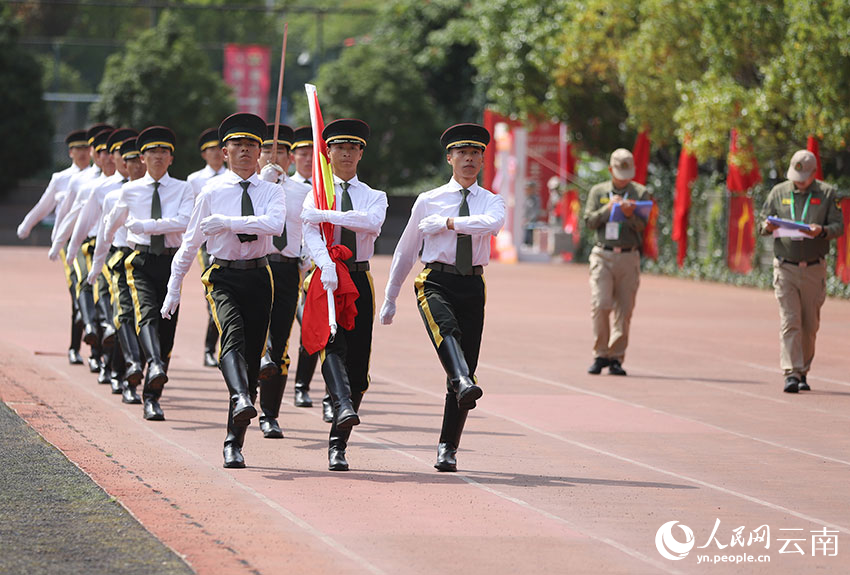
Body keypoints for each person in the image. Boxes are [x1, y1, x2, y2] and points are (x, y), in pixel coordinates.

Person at [161, 113, 285, 468]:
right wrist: (173, 288)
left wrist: (229, 222)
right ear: (225, 152)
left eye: (251, 145)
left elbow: (273, 225)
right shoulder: (211, 193)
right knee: (231, 336)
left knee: (252, 357)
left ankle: (234, 440)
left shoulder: (272, 190)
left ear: (260, 152)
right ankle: (241, 397)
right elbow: (189, 243)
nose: (244, 150)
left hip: (259, 276)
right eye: (237, 145)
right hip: (223, 275)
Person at [379, 123, 505, 472]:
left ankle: (448, 446)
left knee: (467, 364)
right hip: (435, 279)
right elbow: (406, 249)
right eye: (462, 153)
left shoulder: (491, 200)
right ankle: (463, 381)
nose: (469, 159)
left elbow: (491, 225)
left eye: (475, 153)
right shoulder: (428, 200)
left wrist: (449, 223)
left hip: (473, 283)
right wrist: (391, 296)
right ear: (450, 158)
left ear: (483, 159)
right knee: (446, 330)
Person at [301, 118, 388, 471]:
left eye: (354, 148)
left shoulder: (374, 196)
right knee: (331, 345)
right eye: (340, 148)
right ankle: (341, 417)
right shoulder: (316, 192)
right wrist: (325, 264)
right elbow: (309, 232)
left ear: (361, 154)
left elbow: (371, 222)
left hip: (359, 278)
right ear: (329, 153)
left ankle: (344, 421)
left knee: (359, 366)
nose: (347, 154)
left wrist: (327, 214)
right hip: (328, 277)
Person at [100, 126, 193, 420]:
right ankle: (152, 374)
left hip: (171, 263)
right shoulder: (130, 190)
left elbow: (184, 222)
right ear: (142, 157)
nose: (158, 156)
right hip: (139, 261)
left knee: (167, 329)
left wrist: (146, 226)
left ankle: (154, 378)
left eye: (164, 152)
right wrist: (99, 258)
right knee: (147, 314)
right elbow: (110, 226)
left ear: (171, 158)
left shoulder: (183, 189)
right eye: (152, 152)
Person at [759, 150, 844, 393]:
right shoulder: (779, 192)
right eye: (796, 177)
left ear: (814, 173)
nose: (799, 182)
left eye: (804, 178)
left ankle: (803, 369)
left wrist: (821, 231)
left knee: (810, 325)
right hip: (785, 266)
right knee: (790, 320)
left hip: (814, 268)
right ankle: (791, 373)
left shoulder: (827, 194)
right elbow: (761, 223)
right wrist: (767, 226)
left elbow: (839, 227)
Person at [67, 128, 138, 391]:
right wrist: (67, 248)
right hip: (105, 251)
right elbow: (75, 219)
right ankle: (99, 349)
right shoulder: (98, 188)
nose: (110, 157)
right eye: (108, 152)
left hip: (139, 257)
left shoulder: (143, 188)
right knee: (104, 301)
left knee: (127, 314)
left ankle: (114, 363)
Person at [253, 123, 311, 438]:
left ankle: (270, 414)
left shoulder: (302, 192)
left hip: (288, 270)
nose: (273, 158)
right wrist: (264, 183)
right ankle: (244, 399)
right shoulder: (250, 189)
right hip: (256, 267)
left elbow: (309, 231)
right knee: (254, 338)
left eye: (281, 153)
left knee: (280, 342)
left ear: (290, 159)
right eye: (267, 152)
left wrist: (307, 258)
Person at [17, 129, 91, 365]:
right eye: (78, 149)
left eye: (86, 148)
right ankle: (75, 347)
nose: (82, 153)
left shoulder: (97, 176)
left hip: (93, 239)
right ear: (70, 152)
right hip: (69, 241)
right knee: (78, 288)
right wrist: (26, 226)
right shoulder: (61, 179)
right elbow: (44, 205)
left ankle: (98, 350)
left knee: (93, 291)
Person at [49, 125, 116, 376]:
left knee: (107, 301)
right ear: (95, 154)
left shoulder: (127, 184)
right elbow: (69, 216)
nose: (106, 157)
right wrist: (58, 242)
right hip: (85, 245)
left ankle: (104, 357)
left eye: (111, 151)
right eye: (101, 152)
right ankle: (81, 344)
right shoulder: (84, 183)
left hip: (115, 249)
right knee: (84, 290)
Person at [88, 137, 148, 404]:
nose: (135, 165)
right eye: (129, 160)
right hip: (120, 259)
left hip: (150, 260)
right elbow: (102, 232)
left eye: (138, 159)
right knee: (124, 314)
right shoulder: (112, 193)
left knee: (144, 321)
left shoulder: (157, 193)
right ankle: (121, 371)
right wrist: (95, 266)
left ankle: (123, 369)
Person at [583, 148, 651, 377]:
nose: (623, 179)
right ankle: (600, 353)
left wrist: (630, 214)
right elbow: (589, 221)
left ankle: (616, 357)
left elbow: (643, 226)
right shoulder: (598, 191)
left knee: (625, 309)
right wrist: (608, 209)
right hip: (603, 254)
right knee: (600, 304)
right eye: (619, 174)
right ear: (611, 170)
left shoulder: (640, 192)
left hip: (629, 256)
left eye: (627, 174)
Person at [188, 128, 227, 368]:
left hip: (231, 240)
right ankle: (208, 349)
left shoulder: (233, 175)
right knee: (213, 294)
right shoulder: (194, 180)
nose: (215, 154)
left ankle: (223, 350)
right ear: (203, 154)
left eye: (218, 149)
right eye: (210, 150)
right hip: (206, 244)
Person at [289, 125, 321, 410]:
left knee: (311, 326)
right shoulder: (283, 187)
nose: (309, 158)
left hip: (316, 269)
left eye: (313, 153)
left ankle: (302, 386)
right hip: (287, 268)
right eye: (303, 153)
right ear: (293, 157)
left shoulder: (326, 189)